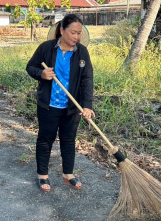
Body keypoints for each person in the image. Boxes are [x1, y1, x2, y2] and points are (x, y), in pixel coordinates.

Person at [26, 14, 95, 192]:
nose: (76, 37)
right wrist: (42, 74)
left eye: (79, 33)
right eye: (73, 32)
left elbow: (87, 79)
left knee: (68, 140)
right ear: (62, 30)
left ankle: (68, 174)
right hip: (49, 105)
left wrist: (87, 105)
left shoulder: (82, 53)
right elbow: (30, 67)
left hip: (71, 107)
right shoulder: (47, 48)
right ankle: (42, 175)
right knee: (45, 139)